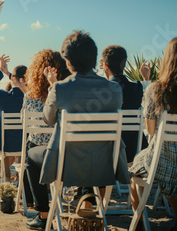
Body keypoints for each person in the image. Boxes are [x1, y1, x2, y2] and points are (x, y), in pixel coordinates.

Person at [25, 30, 128, 230]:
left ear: (68, 62)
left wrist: (53, 88)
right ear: (95, 58)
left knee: (31, 155)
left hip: (66, 167)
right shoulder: (114, 89)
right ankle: (87, 198)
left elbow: (48, 119)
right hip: (105, 164)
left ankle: (44, 214)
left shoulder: (60, 89)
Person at [129, 38, 177, 231]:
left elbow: (150, 130)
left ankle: (139, 223)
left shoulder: (156, 90)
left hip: (162, 162)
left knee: (135, 172)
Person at [21, 49, 71, 210]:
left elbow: (25, 124)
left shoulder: (29, 97)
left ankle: (41, 210)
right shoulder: (67, 96)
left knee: (29, 152)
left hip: (43, 154)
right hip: (68, 152)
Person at [101, 45, 145, 162]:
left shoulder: (102, 93)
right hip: (134, 151)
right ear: (124, 64)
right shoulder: (137, 88)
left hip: (109, 152)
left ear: (105, 65)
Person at [0, 54, 27, 175]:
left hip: (5, 144)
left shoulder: (2, 97)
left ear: (13, 78)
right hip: (24, 144)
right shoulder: (31, 97)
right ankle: (20, 176)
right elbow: (22, 83)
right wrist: (9, 74)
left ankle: (7, 177)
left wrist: (1, 72)